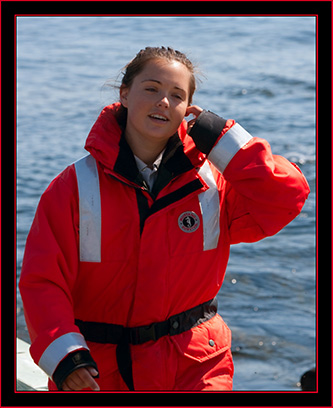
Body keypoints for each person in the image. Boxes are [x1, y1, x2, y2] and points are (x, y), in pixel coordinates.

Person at [19, 46, 310, 391]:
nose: (164, 102)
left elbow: (286, 196)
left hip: (197, 366)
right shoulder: (74, 186)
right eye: (152, 89)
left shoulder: (212, 182)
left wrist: (226, 140)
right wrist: (65, 357)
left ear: (189, 109)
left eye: (177, 95)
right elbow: (43, 281)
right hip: (100, 372)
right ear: (125, 94)